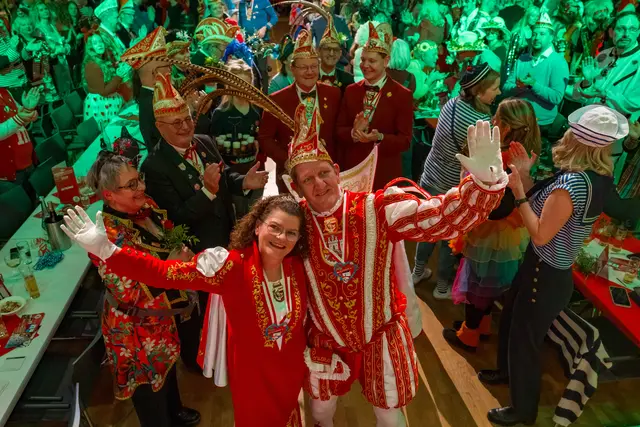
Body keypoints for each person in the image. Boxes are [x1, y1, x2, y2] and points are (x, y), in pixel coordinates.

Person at [65, 103, 510, 427]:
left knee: (391, 419)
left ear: (337, 170)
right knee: (321, 414)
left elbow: (441, 218)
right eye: (307, 179)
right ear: (288, 197)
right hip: (319, 347)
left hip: (379, 334)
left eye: (324, 173)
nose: (319, 184)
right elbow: (169, 273)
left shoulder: (378, 209)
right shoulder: (264, 248)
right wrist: (107, 250)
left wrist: (485, 183)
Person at [63, 191, 309, 427]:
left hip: (290, 371)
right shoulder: (230, 268)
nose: (281, 238)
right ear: (257, 227)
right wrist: (108, 251)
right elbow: (163, 273)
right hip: (253, 379)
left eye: (291, 233)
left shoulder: (297, 265)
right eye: (275, 227)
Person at [481, 105, 628, 426]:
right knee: (513, 323)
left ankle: (523, 411)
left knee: (525, 342)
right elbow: (545, 211)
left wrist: (518, 191)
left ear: (577, 139)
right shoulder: (597, 178)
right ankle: (508, 375)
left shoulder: (572, 183)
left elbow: (540, 232)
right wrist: (525, 177)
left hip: (544, 274)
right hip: (544, 270)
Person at [140, 72, 268, 370]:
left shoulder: (205, 141)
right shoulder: (155, 166)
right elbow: (176, 216)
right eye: (176, 123)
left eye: (187, 118)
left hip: (225, 236)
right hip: (196, 251)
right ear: (159, 127)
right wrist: (208, 191)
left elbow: (223, 176)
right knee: (202, 309)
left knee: (228, 299)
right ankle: (199, 361)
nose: (185, 126)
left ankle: (228, 347)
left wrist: (243, 182)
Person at [73, 152, 201, 427]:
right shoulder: (104, 236)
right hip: (134, 326)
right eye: (131, 185)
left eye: (139, 179)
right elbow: (128, 291)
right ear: (109, 195)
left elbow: (168, 238)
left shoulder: (145, 206)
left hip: (161, 315)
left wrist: (180, 253)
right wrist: (171, 268)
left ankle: (175, 411)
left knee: (167, 366)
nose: (141, 187)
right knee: (147, 385)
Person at [443, 98, 541, 352]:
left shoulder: (502, 156)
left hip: (491, 231)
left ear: (505, 126)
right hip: (509, 231)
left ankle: (469, 334)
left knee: (478, 283)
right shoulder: (524, 152)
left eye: (496, 117)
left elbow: (494, 205)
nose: (492, 121)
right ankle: (481, 325)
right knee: (488, 283)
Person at [413, 63, 501, 299]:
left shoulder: (451, 104)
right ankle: (442, 287)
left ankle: (417, 272)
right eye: (495, 88)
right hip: (452, 186)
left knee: (428, 227)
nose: (499, 92)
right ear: (479, 91)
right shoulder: (482, 121)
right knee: (448, 237)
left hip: (431, 175)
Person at [258, 29, 341, 192]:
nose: (309, 72)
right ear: (292, 68)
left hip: (327, 175)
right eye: (303, 67)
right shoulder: (277, 99)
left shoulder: (334, 94)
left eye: (313, 67)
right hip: (292, 177)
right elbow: (265, 138)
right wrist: (287, 160)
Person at [337, 22, 413, 190]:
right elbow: (339, 130)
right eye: (363, 60)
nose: (365, 65)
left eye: (372, 61)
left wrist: (379, 137)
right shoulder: (351, 91)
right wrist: (353, 133)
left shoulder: (402, 95)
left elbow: (405, 141)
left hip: (385, 174)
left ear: (386, 61)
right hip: (354, 173)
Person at [503, 12, 569, 144]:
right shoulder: (522, 59)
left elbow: (556, 97)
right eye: (534, 34)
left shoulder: (558, 62)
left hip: (541, 126)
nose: (537, 37)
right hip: (517, 121)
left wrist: (533, 85)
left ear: (551, 37)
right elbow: (505, 88)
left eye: (542, 34)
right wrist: (519, 87)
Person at [209, 58, 263, 217]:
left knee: (255, 214)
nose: (241, 89)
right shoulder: (221, 114)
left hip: (254, 170)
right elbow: (214, 148)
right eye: (236, 84)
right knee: (238, 216)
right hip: (233, 176)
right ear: (228, 85)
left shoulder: (257, 109)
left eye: (245, 84)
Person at [571, 10, 640, 117]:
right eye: (620, 29)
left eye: (632, 29)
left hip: (616, 124)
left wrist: (604, 94)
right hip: (587, 119)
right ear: (611, 32)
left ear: (638, 32)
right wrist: (587, 82)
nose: (626, 34)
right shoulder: (604, 55)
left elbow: (634, 103)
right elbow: (576, 95)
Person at [120, 26, 172, 148]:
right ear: (155, 73)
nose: (170, 70)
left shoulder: (151, 96)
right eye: (167, 66)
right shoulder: (153, 104)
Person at [82, 32, 127, 130]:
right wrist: (118, 77)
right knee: (111, 131)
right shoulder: (92, 66)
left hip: (108, 100)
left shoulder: (102, 59)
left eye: (100, 41)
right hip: (100, 105)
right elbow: (103, 92)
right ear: (90, 47)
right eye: (95, 43)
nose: (99, 44)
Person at [0, 86, 40, 195]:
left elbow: (20, 121)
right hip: (10, 172)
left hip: (27, 162)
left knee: (36, 198)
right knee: (24, 203)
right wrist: (21, 118)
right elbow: (17, 120)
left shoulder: (4, 92)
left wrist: (28, 111)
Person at [12, 14, 60, 103]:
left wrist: (54, 53)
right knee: (43, 106)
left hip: (49, 78)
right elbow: (23, 58)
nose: (28, 26)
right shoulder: (18, 43)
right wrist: (27, 49)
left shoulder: (40, 39)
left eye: (29, 24)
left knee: (56, 103)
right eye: (23, 25)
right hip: (35, 83)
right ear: (18, 27)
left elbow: (51, 57)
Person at [32, 1, 72, 96]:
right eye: (41, 10)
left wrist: (65, 47)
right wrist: (58, 50)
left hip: (63, 61)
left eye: (45, 8)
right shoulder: (38, 29)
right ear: (38, 13)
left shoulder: (51, 26)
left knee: (69, 88)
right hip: (53, 64)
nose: (45, 11)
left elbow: (60, 42)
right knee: (61, 90)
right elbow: (43, 50)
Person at [317, 14, 354, 93]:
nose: (331, 53)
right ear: (319, 51)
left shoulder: (348, 80)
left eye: (335, 50)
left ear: (340, 53)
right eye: (327, 49)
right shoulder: (309, 77)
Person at [310, 0, 351, 66]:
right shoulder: (340, 20)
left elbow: (347, 39)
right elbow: (348, 39)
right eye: (328, 8)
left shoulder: (315, 22)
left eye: (331, 8)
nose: (329, 11)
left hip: (332, 58)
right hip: (328, 57)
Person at [0, 12, 28, 100]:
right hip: (10, 86)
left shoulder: (5, 34)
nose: (1, 24)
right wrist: (12, 48)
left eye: (1, 21)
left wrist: (27, 48)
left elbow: (20, 55)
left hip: (23, 79)